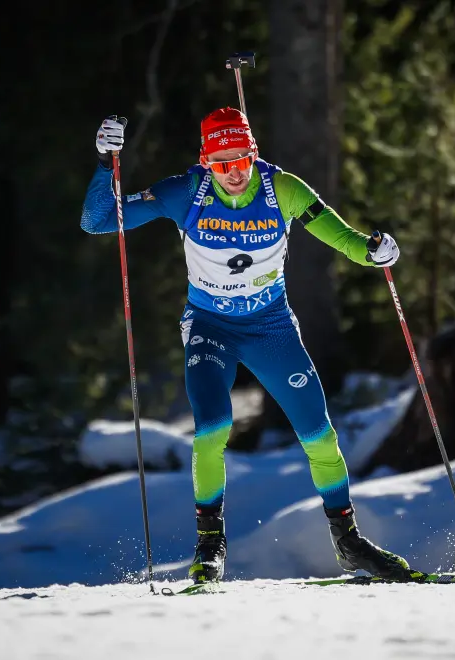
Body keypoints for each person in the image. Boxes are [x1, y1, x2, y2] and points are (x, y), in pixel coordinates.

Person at [80, 108, 416, 585]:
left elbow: (339, 236)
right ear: (205, 163)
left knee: (318, 433)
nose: (233, 171)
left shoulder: (284, 189)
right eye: (221, 163)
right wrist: (104, 160)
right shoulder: (185, 192)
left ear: (253, 155)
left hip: (271, 327)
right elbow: (97, 222)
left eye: (242, 159)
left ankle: (348, 541)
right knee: (213, 427)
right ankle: (209, 545)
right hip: (210, 326)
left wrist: (373, 250)